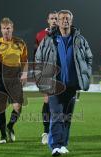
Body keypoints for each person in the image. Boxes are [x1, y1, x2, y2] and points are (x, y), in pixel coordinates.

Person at [35, 10, 92, 156]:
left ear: (71, 21)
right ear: (58, 22)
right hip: (54, 85)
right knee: (57, 115)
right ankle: (54, 145)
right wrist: (42, 79)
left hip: (72, 85)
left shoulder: (80, 40)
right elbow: (38, 59)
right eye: (62, 19)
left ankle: (63, 144)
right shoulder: (49, 39)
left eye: (67, 18)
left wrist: (85, 74)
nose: (65, 21)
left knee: (67, 117)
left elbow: (88, 58)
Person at [0, 17, 28, 143]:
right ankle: (2, 136)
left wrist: (25, 73)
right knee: (1, 108)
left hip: (15, 78)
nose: (6, 31)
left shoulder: (20, 43)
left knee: (18, 106)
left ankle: (10, 126)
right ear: (1, 30)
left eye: (8, 28)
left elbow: (25, 60)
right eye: (4, 28)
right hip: (0, 78)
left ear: (12, 29)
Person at [34, 11, 58, 145]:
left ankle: (56, 131)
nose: (54, 20)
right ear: (47, 20)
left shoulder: (63, 33)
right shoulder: (40, 35)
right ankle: (45, 131)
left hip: (60, 74)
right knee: (47, 100)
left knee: (59, 103)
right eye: (52, 18)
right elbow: (36, 55)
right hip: (47, 72)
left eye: (56, 18)